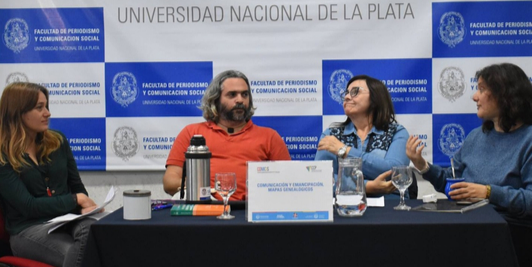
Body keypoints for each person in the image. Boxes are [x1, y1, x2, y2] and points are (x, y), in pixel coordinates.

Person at [406, 63, 532, 267]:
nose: (474, 96)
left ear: (505, 95)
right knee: (427, 241)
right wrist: (422, 166)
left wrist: (488, 192)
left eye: (481, 89)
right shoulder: (476, 137)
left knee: (457, 252)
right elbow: (454, 186)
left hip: (528, 230)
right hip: (478, 222)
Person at [0, 82, 98, 267]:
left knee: (96, 231)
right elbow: (29, 206)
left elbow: (77, 188)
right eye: (39, 107)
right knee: (80, 255)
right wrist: (74, 200)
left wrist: (86, 205)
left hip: (68, 222)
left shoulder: (57, 142)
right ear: (18, 113)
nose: (47, 112)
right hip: (28, 231)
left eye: (46, 106)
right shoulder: (0, 156)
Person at [163, 70, 291, 201]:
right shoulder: (192, 133)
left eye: (245, 94)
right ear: (215, 100)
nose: (240, 100)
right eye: (232, 95)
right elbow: (169, 182)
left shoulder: (269, 136)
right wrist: (204, 189)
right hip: (204, 209)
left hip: (251, 211)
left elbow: (288, 181)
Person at [315, 75, 412, 196]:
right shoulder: (331, 135)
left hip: (390, 207)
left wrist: (344, 150)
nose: (346, 97)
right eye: (346, 93)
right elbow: (321, 179)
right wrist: (366, 186)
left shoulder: (396, 132)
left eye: (355, 92)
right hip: (345, 207)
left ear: (375, 98)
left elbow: (395, 173)